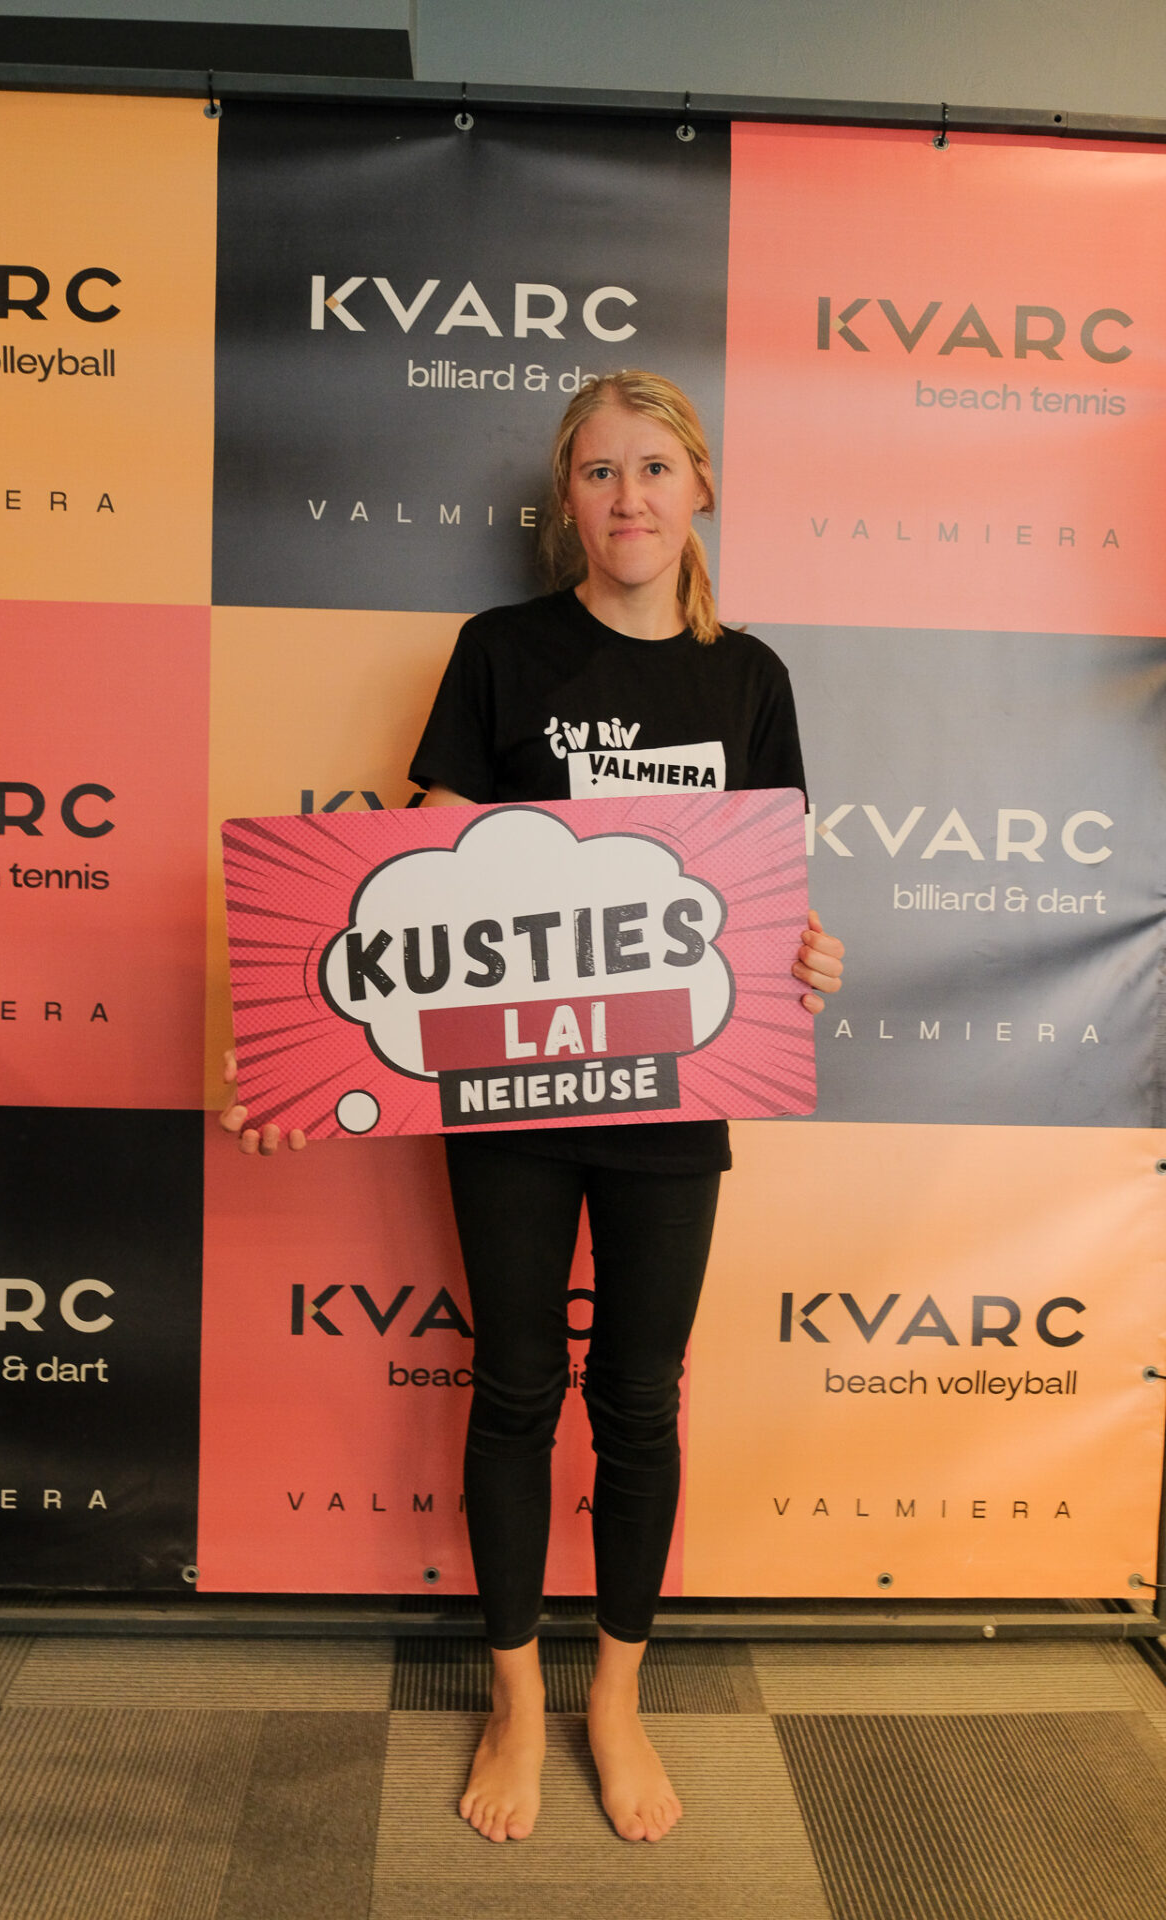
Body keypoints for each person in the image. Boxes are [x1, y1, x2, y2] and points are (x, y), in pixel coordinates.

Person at [222, 369, 844, 1848]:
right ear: (566, 499)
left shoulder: (751, 679)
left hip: (672, 1104)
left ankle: (614, 1699)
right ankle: (513, 1696)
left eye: (654, 469)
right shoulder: (502, 652)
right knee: (514, 1387)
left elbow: (761, 899)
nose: (629, 498)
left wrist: (806, 960)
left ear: (699, 488)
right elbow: (407, 890)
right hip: (508, 1097)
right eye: (599, 472)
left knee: (639, 1399)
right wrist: (308, 1054)